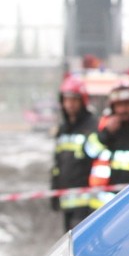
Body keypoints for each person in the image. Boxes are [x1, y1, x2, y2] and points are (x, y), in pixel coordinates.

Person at [50, 75, 98, 230]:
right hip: (66, 200)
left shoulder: (92, 125)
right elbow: (58, 163)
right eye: (66, 100)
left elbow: (96, 156)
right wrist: (54, 191)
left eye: (74, 100)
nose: (69, 104)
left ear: (82, 101)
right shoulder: (63, 129)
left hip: (87, 201)